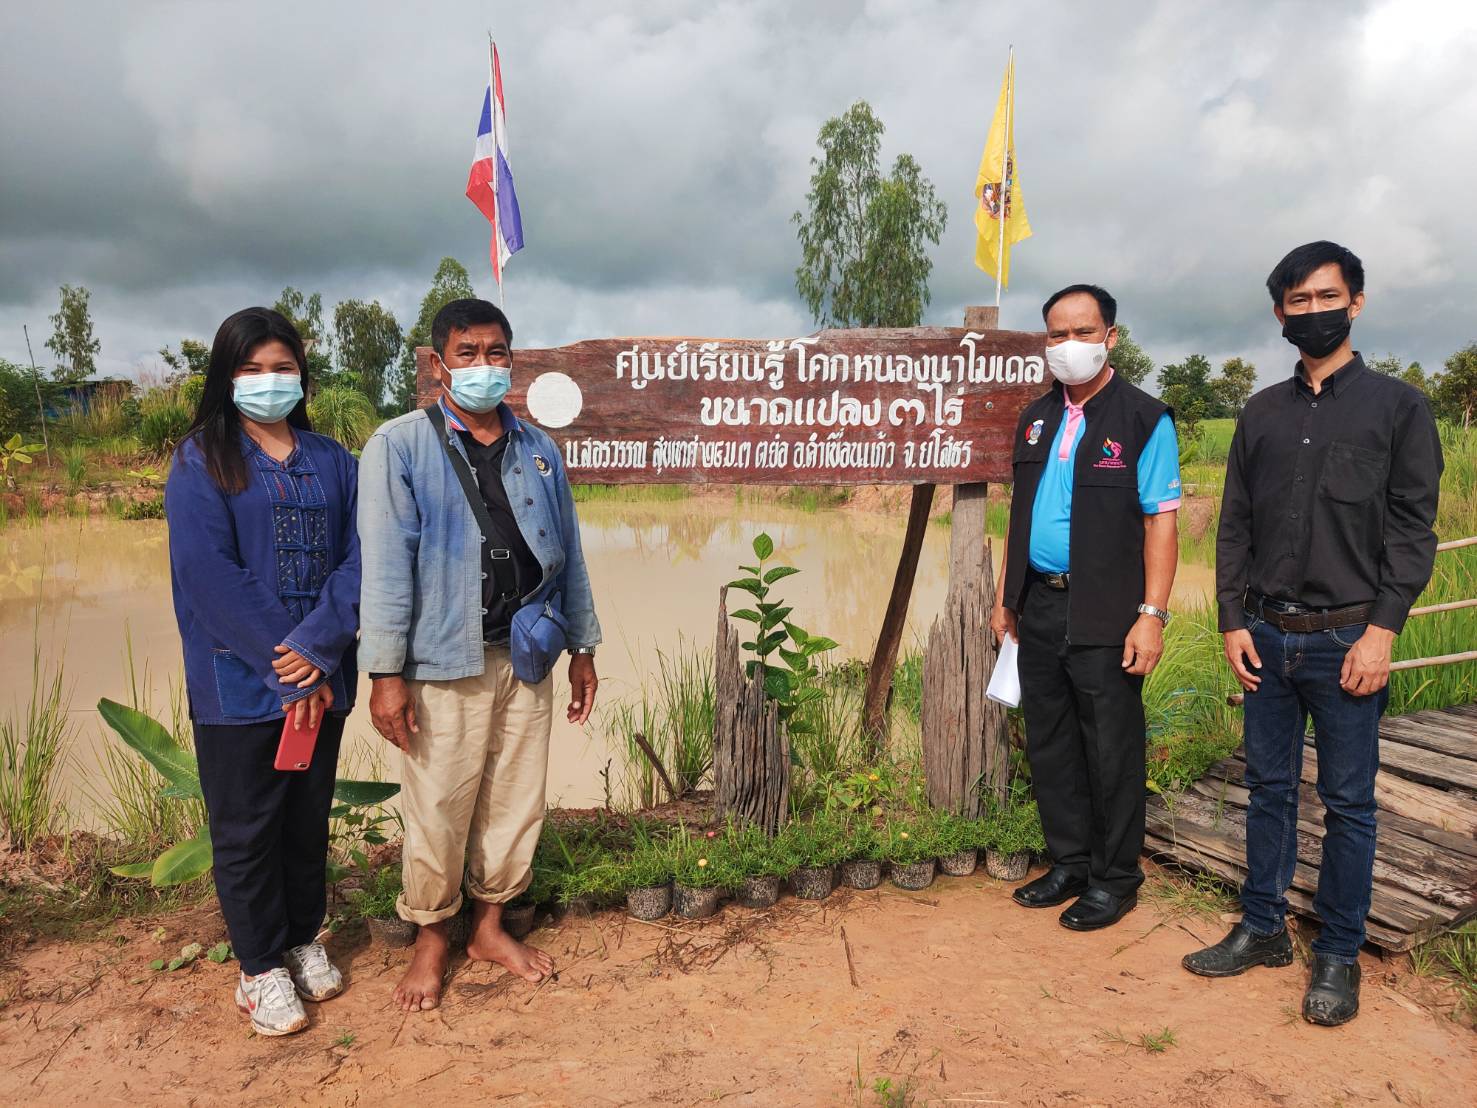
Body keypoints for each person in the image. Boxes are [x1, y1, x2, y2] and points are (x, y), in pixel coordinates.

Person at [1183, 242, 1443, 1026]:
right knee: (1266, 790)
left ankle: (1336, 952)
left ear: (1355, 302)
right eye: (1296, 302)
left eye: (1325, 297)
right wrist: (1231, 618)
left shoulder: (1398, 410)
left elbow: (1410, 530)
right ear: (1278, 314)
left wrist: (1381, 632)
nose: (1311, 311)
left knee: (1347, 803)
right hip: (1264, 634)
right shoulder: (1259, 413)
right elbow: (1234, 525)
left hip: (1345, 641)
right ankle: (1261, 927)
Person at [357, 297, 601, 1012]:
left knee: (515, 803)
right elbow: (385, 571)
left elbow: (571, 558)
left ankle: (489, 926)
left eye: (497, 353)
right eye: (468, 353)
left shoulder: (538, 449)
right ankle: (431, 936)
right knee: (438, 807)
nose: (484, 367)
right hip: (441, 662)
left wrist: (583, 646)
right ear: (438, 364)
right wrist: (384, 675)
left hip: (528, 655)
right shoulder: (400, 446)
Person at [164, 307, 360, 1036]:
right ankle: (258, 968)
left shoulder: (333, 459)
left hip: (324, 677)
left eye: (281, 368)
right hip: (238, 683)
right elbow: (207, 574)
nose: (267, 381)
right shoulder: (200, 459)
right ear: (226, 377)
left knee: (306, 822)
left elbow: (360, 557)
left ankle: (302, 935)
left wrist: (319, 648)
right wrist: (290, 660)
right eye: (250, 368)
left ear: (301, 377)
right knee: (246, 829)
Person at [991, 284, 1181, 931]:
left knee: (1110, 751)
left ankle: (1114, 878)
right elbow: (1018, 518)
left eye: (1081, 331)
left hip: (1105, 614)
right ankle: (1069, 863)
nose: (1067, 345)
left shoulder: (1144, 420)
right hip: (1037, 606)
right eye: (1054, 334)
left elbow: (1161, 524)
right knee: (1050, 744)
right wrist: (1005, 601)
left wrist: (1150, 615)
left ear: (1110, 338)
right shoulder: (1035, 417)